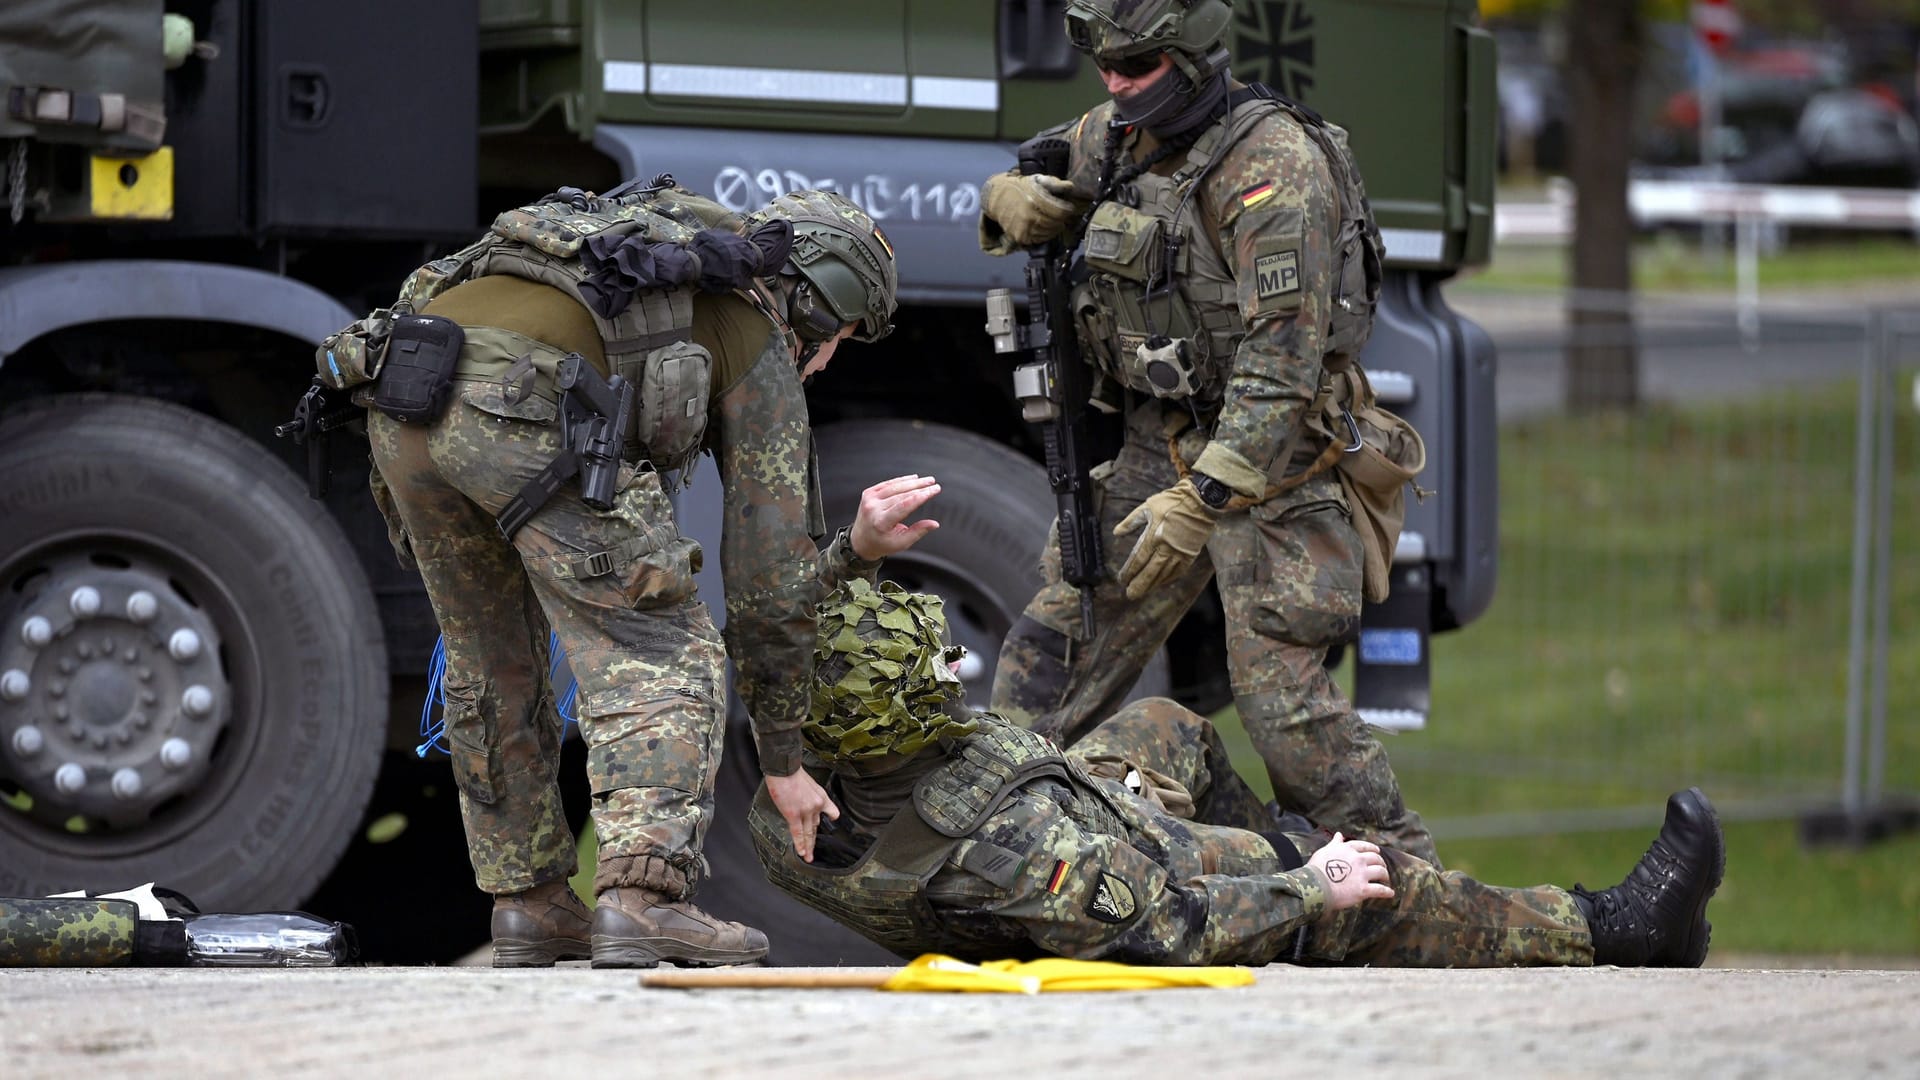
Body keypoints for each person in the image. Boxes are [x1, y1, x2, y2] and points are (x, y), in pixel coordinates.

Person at [362, 182, 932, 968]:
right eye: (842, 338)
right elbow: (769, 583)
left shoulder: (633, 271)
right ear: (818, 304)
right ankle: (644, 898)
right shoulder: (754, 327)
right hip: (519, 405)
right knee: (661, 652)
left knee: (491, 659)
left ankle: (528, 904)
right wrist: (782, 758)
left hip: (403, 399)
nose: (829, 360)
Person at [978, 0, 1439, 864]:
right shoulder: (1117, 133)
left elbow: (1282, 367)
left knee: (1281, 697)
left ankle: (1403, 882)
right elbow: (1050, 172)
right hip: (1164, 435)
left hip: (1282, 454)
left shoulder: (1273, 170)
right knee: (1057, 644)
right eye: (1105, 66)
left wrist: (1203, 498)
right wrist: (1007, 201)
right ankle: (995, 837)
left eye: (1138, 67)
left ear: (1189, 58)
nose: (1115, 84)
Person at [750, 581, 1726, 969]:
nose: (951, 669)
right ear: (888, 724)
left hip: (1056, 810)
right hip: (1111, 880)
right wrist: (1306, 885)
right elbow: (1174, 924)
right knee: (1375, 887)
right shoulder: (1016, 857)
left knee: (1166, 726)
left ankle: (1279, 854)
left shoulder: (785, 797)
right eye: (927, 674)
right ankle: (1610, 928)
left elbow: (786, 658)